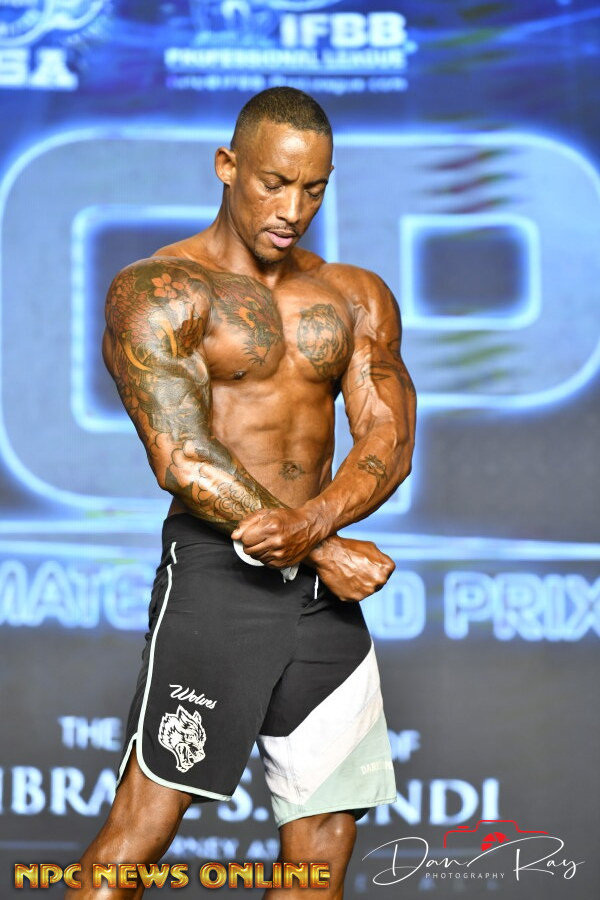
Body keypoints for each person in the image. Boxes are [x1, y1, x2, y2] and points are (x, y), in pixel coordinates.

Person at [67, 87, 416, 899]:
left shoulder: (354, 295)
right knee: (139, 835)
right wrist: (321, 547)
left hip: (321, 604)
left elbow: (389, 438)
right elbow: (182, 457)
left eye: (314, 189)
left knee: (322, 853)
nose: (293, 210)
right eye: (274, 184)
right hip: (219, 575)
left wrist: (314, 526)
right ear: (228, 166)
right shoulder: (162, 290)